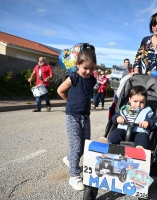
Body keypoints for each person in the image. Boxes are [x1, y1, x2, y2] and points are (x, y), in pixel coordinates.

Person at [57, 43, 97, 191]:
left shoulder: (92, 80)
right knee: (76, 147)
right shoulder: (73, 77)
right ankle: (74, 176)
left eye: (91, 68)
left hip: (85, 117)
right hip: (72, 116)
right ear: (78, 65)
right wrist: (70, 102)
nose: (88, 71)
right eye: (85, 68)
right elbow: (60, 90)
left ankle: (69, 159)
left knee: (84, 146)